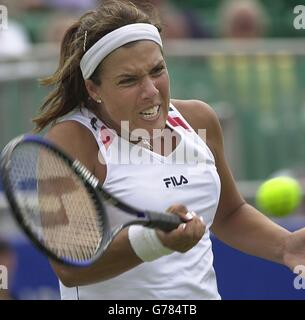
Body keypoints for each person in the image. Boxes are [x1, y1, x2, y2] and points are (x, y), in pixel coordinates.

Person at [32, 0, 305, 300]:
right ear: (93, 89)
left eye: (157, 70)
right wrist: (154, 240)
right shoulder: (72, 141)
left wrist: (285, 246)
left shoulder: (199, 119)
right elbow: (70, 267)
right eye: (129, 80)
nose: (150, 91)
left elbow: (228, 213)